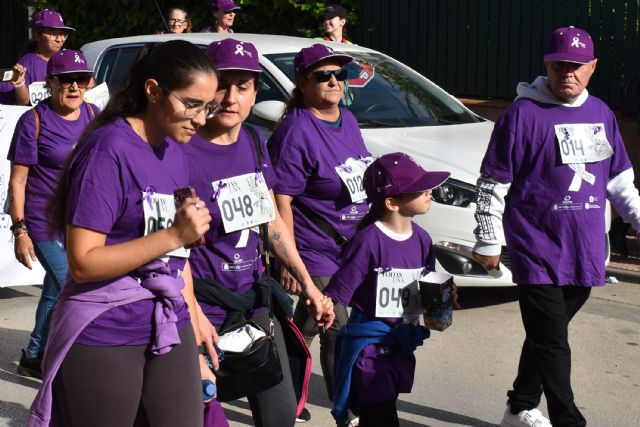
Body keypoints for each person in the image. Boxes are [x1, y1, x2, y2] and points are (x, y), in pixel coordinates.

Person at [27, 40, 219, 426]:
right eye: (191, 104)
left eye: (208, 106)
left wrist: (194, 315)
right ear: (152, 91)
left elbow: (176, 258)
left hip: (169, 318)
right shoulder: (107, 150)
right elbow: (82, 263)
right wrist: (174, 236)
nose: (201, 118)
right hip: (106, 326)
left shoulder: (174, 149)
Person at [472, 26, 640, 427]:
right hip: (536, 247)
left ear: (592, 67)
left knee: (548, 336)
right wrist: (488, 239)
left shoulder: (601, 113)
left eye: (578, 66)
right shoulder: (521, 114)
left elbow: (619, 182)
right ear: (547, 64)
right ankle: (569, 419)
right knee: (553, 341)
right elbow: (493, 184)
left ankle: (519, 406)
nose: (569, 73)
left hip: (586, 249)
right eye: (561, 64)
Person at [182, 38, 334, 427]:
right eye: (222, 84)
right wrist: (194, 313)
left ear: (254, 94)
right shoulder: (179, 148)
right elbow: (169, 249)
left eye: (244, 86)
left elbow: (271, 220)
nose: (231, 97)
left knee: (280, 416)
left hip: (254, 307)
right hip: (201, 313)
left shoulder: (253, 141)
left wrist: (309, 285)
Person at [268, 43, 373, 424]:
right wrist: (288, 263)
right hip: (316, 248)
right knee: (337, 327)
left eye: (339, 74)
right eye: (322, 76)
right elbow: (281, 202)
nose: (333, 81)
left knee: (309, 324)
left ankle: (280, 388)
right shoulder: (296, 131)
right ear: (302, 82)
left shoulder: (347, 119)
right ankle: (346, 409)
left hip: (352, 247)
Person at [324, 152, 450, 427]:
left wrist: (445, 300)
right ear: (392, 202)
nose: (429, 192)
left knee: (381, 410)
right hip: (370, 346)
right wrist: (325, 307)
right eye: (419, 189)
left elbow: (429, 284)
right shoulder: (368, 240)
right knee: (382, 416)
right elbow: (340, 291)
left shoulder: (423, 239)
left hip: (401, 344)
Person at [8, 49, 99, 380]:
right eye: (66, 81)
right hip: (42, 222)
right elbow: (17, 182)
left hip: (80, 221)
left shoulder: (94, 114)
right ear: (50, 83)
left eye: (82, 80)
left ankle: (34, 353)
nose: (75, 87)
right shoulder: (32, 121)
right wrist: (20, 232)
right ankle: (83, 360)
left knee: (53, 289)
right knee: (72, 286)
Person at [0, 9, 74, 106]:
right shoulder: (28, 62)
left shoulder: (67, 60)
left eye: (62, 34)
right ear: (37, 36)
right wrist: (20, 84)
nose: (59, 39)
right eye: (53, 33)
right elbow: (22, 101)